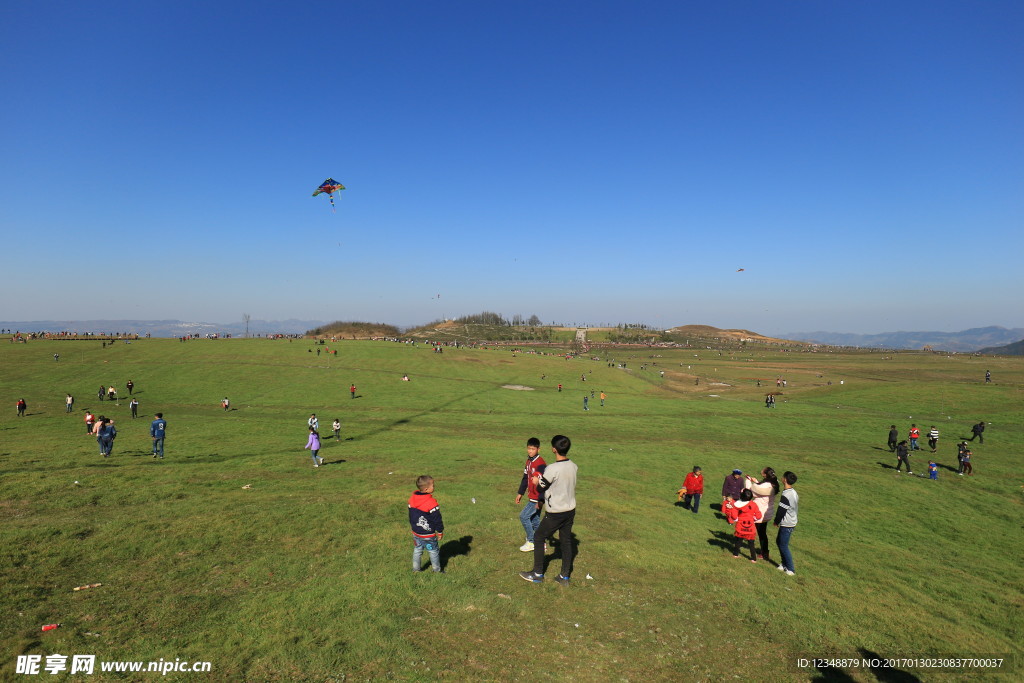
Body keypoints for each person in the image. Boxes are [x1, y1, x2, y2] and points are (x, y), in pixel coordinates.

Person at [520, 435, 577, 586]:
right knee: (565, 541)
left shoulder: (552, 468)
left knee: (538, 537)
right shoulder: (573, 465)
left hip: (556, 512)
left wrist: (536, 481)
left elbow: (541, 487)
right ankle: (564, 576)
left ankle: (537, 574)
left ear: (553, 449)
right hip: (570, 510)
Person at [515, 437, 547, 552]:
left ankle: (531, 541)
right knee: (534, 520)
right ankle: (541, 543)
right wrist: (520, 493)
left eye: (533, 449)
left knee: (524, 516)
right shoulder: (529, 461)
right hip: (531, 496)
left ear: (538, 449)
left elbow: (543, 479)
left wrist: (541, 499)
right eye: (529, 448)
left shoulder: (540, 463)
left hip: (537, 497)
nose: (530, 451)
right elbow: (525, 478)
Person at [408, 475, 444, 573]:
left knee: (417, 549)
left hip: (416, 532)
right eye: (433, 485)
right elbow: (437, 519)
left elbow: (411, 516)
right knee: (433, 551)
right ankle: (436, 571)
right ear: (427, 489)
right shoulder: (431, 503)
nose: (434, 487)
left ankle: (416, 570)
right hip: (428, 534)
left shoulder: (412, 499)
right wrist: (440, 531)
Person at [746, 468, 779, 561]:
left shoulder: (765, 485)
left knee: (754, 532)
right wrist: (756, 481)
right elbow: (761, 490)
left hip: (759, 513)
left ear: (765, 474)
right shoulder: (774, 483)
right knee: (762, 533)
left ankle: (758, 552)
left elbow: (751, 492)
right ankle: (765, 553)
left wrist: (748, 481)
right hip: (767, 513)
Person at [773, 471, 799, 576]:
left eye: (783, 477)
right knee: (779, 542)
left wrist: (776, 521)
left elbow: (781, 511)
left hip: (787, 523)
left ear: (785, 480)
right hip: (791, 521)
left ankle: (790, 569)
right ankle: (784, 564)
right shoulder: (793, 492)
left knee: (783, 545)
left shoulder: (786, 494)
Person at [727, 489, 762, 562]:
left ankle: (735, 554)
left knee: (738, 541)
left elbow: (734, 515)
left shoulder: (737, 505)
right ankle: (753, 558)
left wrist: (736, 519)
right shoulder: (753, 504)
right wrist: (754, 519)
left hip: (740, 526)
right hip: (750, 527)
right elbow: (759, 515)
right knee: (751, 543)